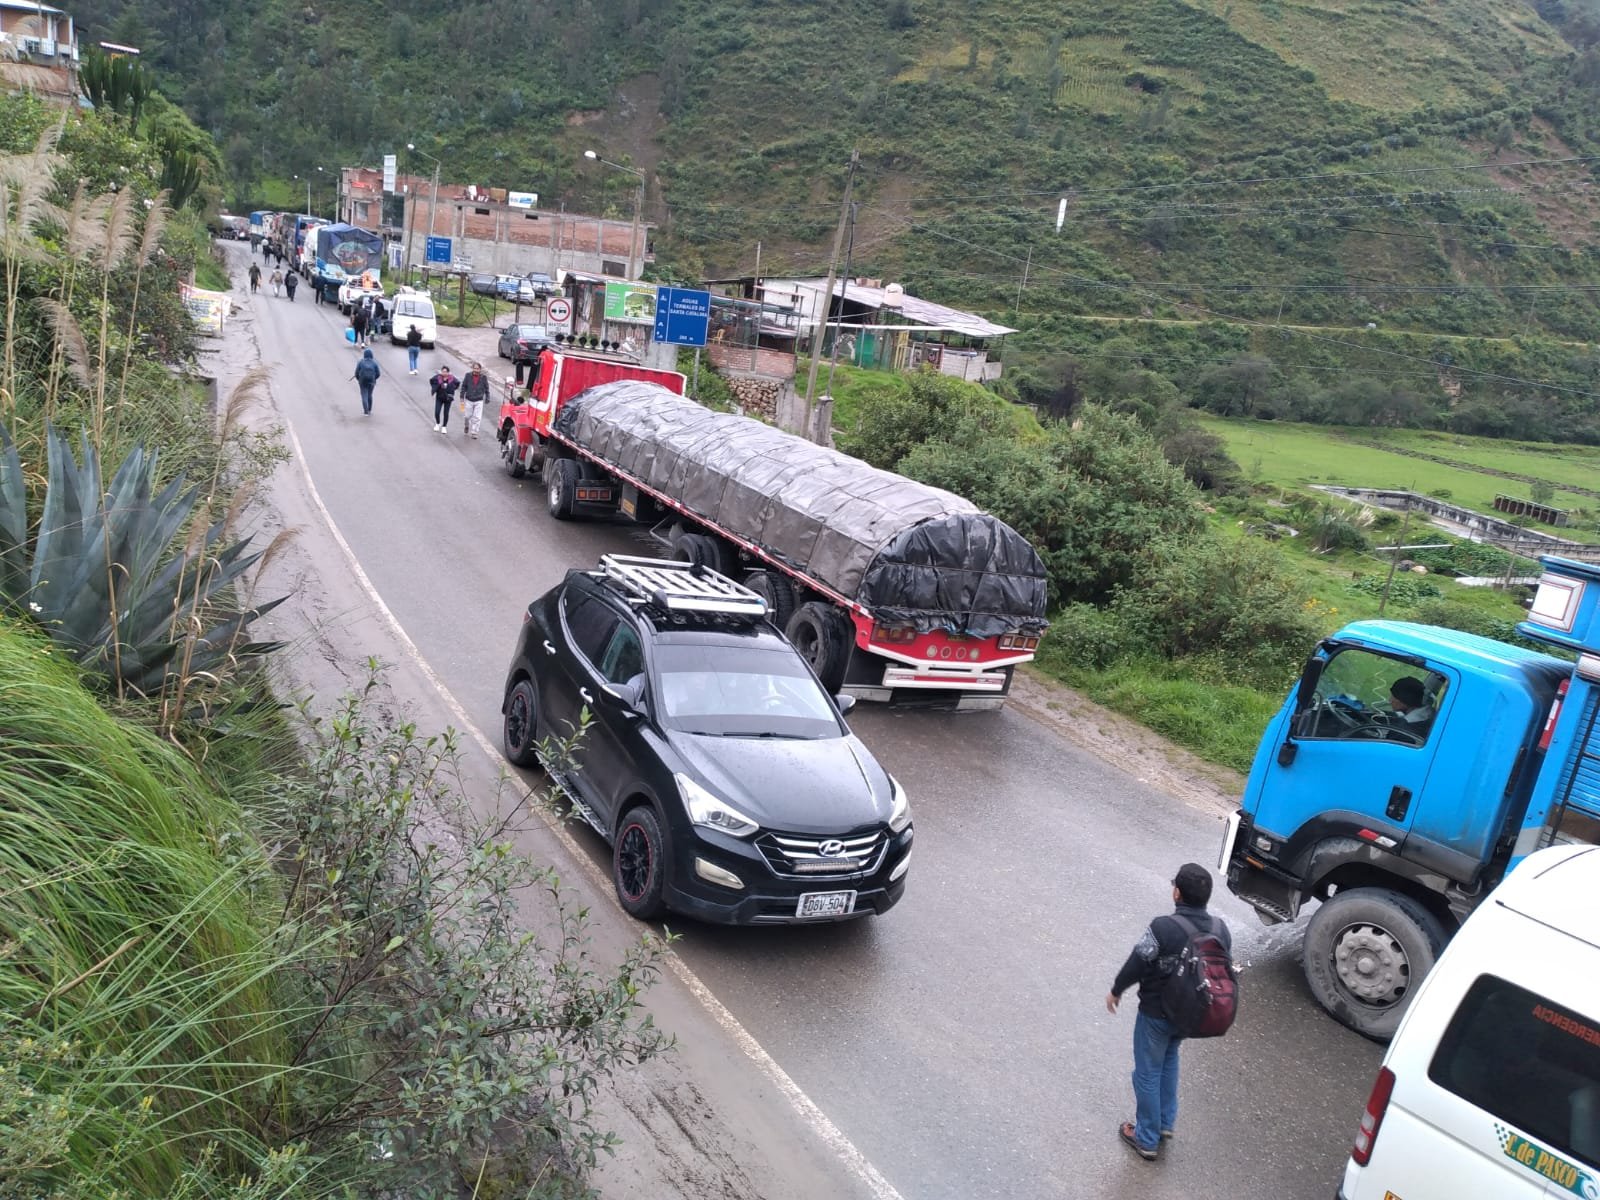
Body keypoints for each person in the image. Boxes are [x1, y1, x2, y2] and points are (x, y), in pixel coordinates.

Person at [1106, 863, 1232, 1161]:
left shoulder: (1163, 927)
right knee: (1170, 1060)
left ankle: (1146, 1137)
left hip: (1155, 1013)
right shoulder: (1220, 929)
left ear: (1177, 893)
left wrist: (1116, 990)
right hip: (1190, 1015)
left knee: (1147, 1072)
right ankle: (1164, 1124)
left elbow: (1138, 962)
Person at [459, 362, 490, 439]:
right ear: (472, 368)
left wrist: (487, 397)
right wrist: (462, 397)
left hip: (479, 400)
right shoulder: (468, 376)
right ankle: (466, 425)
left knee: (477, 417)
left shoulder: (483, 378)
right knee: (467, 416)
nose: (476, 370)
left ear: (480, 369)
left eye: (477, 369)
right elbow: (463, 386)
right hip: (469, 399)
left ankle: (474, 432)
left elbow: (487, 388)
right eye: (474, 368)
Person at [429, 364, 459, 433]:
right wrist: (434, 388)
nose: (444, 373)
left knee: (446, 413)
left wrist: (453, 389)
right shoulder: (438, 377)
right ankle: (437, 423)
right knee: (437, 412)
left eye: (445, 372)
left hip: (448, 398)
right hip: (439, 397)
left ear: (448, 372)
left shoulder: (452, 379)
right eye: (443, 371)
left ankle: (444, 426)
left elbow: (457, 383)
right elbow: (431, 381)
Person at [353, 348, 380, 416]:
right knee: (370, 395)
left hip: (362, 381)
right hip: (371, 381)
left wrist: (359, 379)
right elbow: (378, 373)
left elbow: (356, 373)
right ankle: (369, 409)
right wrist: (374, 378)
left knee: (364, 395)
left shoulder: (361, 362)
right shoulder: (374, 363)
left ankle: (366, 411)